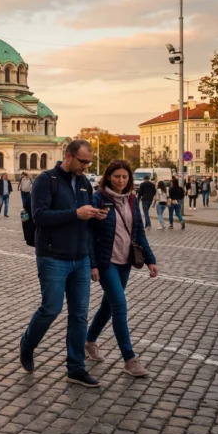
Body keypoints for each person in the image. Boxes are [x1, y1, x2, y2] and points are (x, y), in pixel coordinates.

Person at [20, 139, 106, 388]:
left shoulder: (83, 184)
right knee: (51, 309)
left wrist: (95, 218)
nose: (85, 167)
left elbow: (87, 228)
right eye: (82, 161)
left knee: (79, 316)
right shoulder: (46, 180)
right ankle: (27, 344)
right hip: (52, 257)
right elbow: (40, 216)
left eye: (88, 162)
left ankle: (75, 368)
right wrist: (75, 214)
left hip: (80, 259)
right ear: (68, 156)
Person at [86, 160, 158, 377]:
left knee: (108, 306)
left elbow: (138, 232)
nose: (121, 180)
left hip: (125, 261)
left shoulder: (132, 199)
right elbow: (88, 233)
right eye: (116, 176)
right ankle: (129, 359)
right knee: (119, 305)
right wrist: (93, 264)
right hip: (106, 262)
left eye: (124, 177)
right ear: (108, 177)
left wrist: (150, 260)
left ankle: (89, 341)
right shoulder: (98, 198)